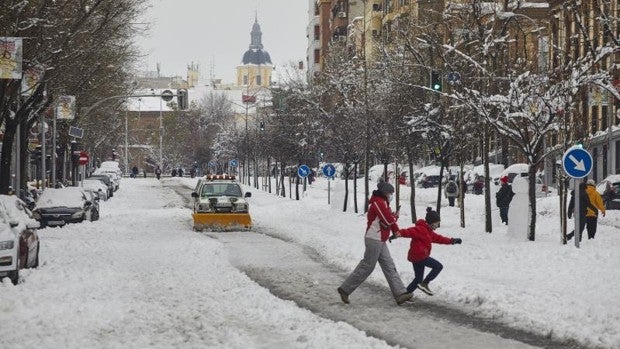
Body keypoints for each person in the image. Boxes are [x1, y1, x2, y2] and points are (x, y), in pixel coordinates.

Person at [337, 181, 412, 305]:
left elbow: (389, 220)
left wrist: (396, 230)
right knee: (367, 266)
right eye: (390, 193)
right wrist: (395, 217)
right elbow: (388, 220)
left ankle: (400, 294)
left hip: (380, 239)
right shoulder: (378, 202)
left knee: (389, 265)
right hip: (374, 238)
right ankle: (345, 289)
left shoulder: (384, 203)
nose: (391, 195)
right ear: (384, 193)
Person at [393, 207, 462, 296]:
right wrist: (399, 233)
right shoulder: (421, 229)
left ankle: (404, 296)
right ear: (432, 223)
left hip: (416, 257)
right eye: (437, 223)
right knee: (438, 266)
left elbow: (440, 239)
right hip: (420, 256)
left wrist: (452, 241)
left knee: (418, 279)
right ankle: (425, 283)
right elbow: (409, 231)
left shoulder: (429, 232)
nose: (438, 225)